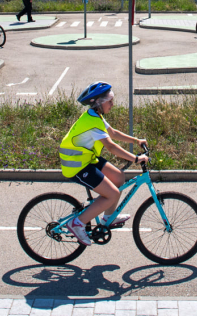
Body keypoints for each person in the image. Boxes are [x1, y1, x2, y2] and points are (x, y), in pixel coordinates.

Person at [59, 81, 148, 246]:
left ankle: (108, 217)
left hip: (86, 159)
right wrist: (135, 159)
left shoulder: (95, 116)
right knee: (112, 194)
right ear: (99, 103)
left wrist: (137, 141)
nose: (113, 104)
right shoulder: (92, 122)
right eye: (110, 101)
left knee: (119, 177)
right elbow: (110, 146)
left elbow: (113, 133)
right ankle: (77, 223)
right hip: (76, 165)